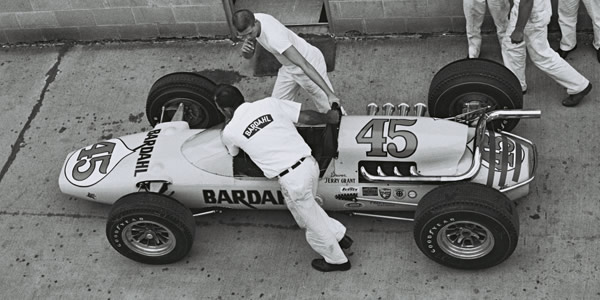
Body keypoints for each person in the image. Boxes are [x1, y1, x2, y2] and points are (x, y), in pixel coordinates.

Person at [213, 84, 353, 272]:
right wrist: (328, 118)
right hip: (309, 164)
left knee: (311, 222)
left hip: (292, 178)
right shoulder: (269, 103)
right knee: (306, 210)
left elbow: (232, 151)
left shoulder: (230, 132)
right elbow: (307, 117)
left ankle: (337, 260)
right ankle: (339, 234)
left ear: (225, 109)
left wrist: (228, 121)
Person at [232, 9, 340, 113]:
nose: (248, 37)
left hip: (308, 62)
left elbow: (304, 64)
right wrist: (245, 51)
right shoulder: (252, 21)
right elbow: (249, 55)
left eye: (250, 33)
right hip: (289, 68)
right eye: (243, 35)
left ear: (255, 22)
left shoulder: (275, 37)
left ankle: (344, 125)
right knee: (277, 108)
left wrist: (330, 94)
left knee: (329, 107)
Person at [502, 0, 592, 107]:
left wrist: (518, 29)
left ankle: (579, 86)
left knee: (541, 56)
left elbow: (526, 1)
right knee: (513, 49)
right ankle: (517, 85)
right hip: (534, 11)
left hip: (529, 14)